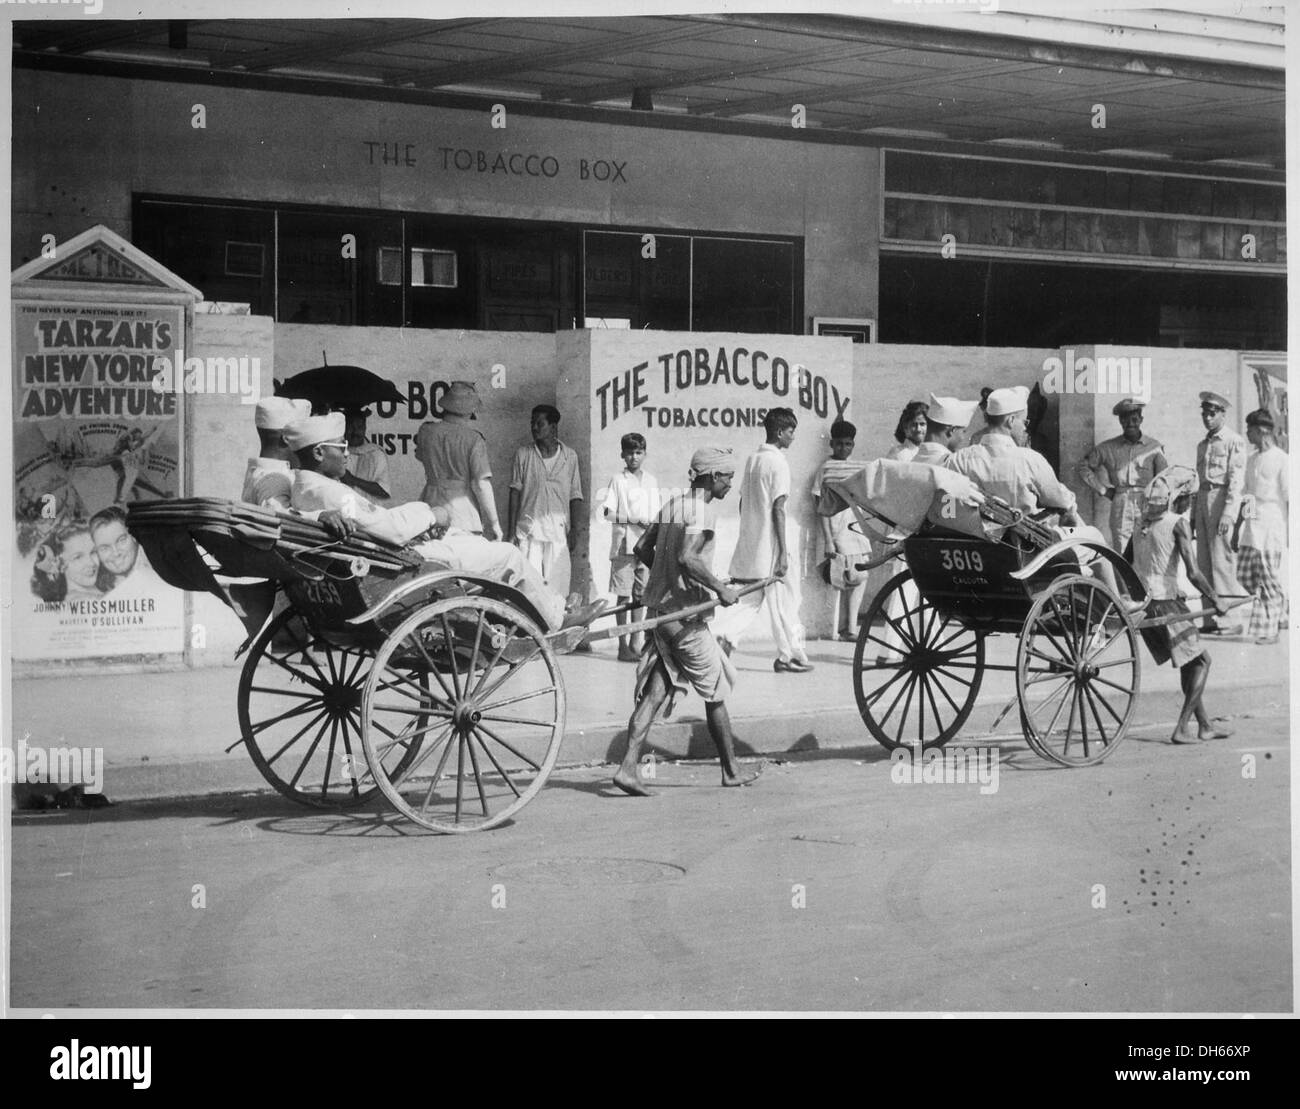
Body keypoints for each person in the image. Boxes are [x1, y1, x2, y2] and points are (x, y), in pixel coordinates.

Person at [286, 413, 597, 634]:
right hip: (405, 564)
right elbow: (390, 528)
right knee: (508, 555)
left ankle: (549, 604)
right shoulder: (333, 494)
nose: (346, 456)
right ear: (317, 452)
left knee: (470, 541)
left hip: (392, 554)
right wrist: (430, 513)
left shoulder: (304, 487)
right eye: (340, 449)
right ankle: (557, 617)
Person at [612, 447, 761, 796]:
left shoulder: (673, 504)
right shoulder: (702, 512)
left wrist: (669, 579)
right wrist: (718, 588)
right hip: (686, 621)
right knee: (717, 690)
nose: (729, 485)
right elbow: (688, 557)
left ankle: (627, 768)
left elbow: (644, 550)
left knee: (655, 693)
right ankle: (731, 770)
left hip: (661, 614)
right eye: (727, 478)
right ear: (712, 476)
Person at [946, 385, 1141, 612]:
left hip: (979, 551)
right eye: (1024, 422)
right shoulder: (1028, 459)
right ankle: (1116, 604)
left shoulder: (958, 460)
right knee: (1094, 536)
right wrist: (1068, 507)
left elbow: (948, 502)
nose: (1025, 429)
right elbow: (1060, 498)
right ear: (1010, 422)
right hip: (1025, 550)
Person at [1131, 467, 1233, 744]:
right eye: (1190, 498)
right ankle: (1182, 728)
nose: (1191, 503)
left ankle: (1206, 726)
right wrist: (1216, 599)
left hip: (1146, 604)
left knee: (1190, 661)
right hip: (1166, 605)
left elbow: (1128, 563)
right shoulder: (1178, 522)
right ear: (1181, 497)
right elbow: (1194, 572)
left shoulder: (1141, 522)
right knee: (1202, 660)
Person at [711, 407, 812, 673]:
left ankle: (726, 637)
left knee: (752, 600)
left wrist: (749, 532)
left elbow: (744, 501)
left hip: (753, 544)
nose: (793, 437)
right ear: (780, 432)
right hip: (770, 548)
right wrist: (780, 552)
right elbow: (778, 508)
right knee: (782, 602)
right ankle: (787, 656)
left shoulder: (753, 459)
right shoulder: (778, 462)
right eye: (791, 432)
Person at [507, 404, 584, 599]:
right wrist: (510, 533)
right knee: (527, 587)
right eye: (532, 423)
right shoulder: (523, 455)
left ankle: (556, 626)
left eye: (539, 423)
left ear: (553, 427)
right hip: (529, 530)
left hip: (558, 531)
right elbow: (514, 492)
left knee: (557, 587)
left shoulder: (569, 456)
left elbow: (575, 495)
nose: (534, 428)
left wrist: (574, 529)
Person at [1075, 397, 1168, 556]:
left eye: (1134, 419)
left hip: (1147, 503)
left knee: (1148, 551)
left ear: (1141, 419)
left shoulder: (1154, 447)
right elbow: (1083, 467)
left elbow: (1164, 479)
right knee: (1123, 552)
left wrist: (1158, 507)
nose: (1130, 423)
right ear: (1120, 421)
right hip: (1121, 503)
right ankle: (1124, 582)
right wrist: (1103, 490)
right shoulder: (1108, 448)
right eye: (1125, 419)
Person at [415, 380, 501, 539]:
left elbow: (420, 456)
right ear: (470, 410)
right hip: (462, 512)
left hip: (430, 505)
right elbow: (483, 484)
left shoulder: (425, 431)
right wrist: (494, 523)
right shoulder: (474, 439)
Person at [1194, 391, 1247, 636]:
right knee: (1203, 562)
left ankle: (1231, 618)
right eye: (1204, 413)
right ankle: (1210, 617)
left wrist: (1228, 514)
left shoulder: (1233, 441)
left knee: (1222, 561)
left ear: (1223, 414)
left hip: (1221, 501)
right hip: (1203, 499)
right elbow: (1199, 483)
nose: (1207, 418)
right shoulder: (1203, 444)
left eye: (1212, 413)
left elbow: (1236, 481)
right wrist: (1194, 516)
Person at [602, 432, 659, 661]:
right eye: (630, 453)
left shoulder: (651, 481)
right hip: (624, 544)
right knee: (624, 596)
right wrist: (634, 519)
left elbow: (656, 514)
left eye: (638, 453)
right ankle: (622, 644)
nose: (634, 457)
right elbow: (608, 512)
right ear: (623, 455)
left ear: (644, 454)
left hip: (644, 546)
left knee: (641, 595)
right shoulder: (618, 480)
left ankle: (636, 641)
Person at [812, 420, 871, 641]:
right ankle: (835, 629)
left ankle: (851, 628)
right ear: (831, 444)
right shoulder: (825, 468)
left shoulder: (853, 467)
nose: (843, 449)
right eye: (839, 444)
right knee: (838, 578)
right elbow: (819, 506)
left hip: (854, 530)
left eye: (847, 444)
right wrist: (828, 539)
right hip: (835, 530)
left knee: (860, 575)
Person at [1236, 408, 1288, 645]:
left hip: (1272, 524)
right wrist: (1239, 527)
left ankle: (1273, 628)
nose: (1247, 434)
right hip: (1252, 523)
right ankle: (1281, 607)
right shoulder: (1251, 459)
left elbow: (1289, 497)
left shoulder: (1282, 459)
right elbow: (1247, 494)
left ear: (1262, 431)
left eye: (1250, 430)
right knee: (1245, 574)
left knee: (1268, 577)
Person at [242, 396, 313, 511]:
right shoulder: (275, 479)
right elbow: (281, 518)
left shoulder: (261, 471)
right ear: (287, 438)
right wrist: (319, 516)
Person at [89, 504, 162, 595]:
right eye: (105, 548)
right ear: (97, 552)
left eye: (121, 540)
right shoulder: (97, 582)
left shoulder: (159, 568)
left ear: (134, 536)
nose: (115, 553)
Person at [338, 407, 391, 502]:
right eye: (351, 427)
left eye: (359, 427)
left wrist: (353, 480)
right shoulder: (336, 452)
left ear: (365, 428)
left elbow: (384, 491)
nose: (355, 432)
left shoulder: (376, 454)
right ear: (344, 427)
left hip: (370, 513)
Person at [914, 392, 978, 466]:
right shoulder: (952, 464)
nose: (963, 438)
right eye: (963, 432)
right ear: (952, 430)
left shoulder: (912, 461)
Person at [55, 522, 104, 602]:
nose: (91, 563)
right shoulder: (80, 601)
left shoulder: (98, 595)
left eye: (93, 552)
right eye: (78, 557)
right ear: (61, 564)